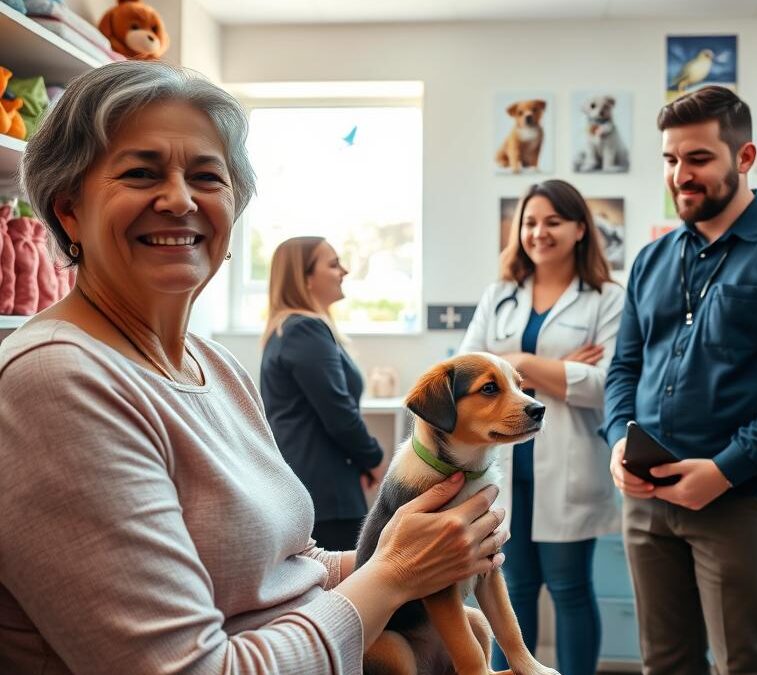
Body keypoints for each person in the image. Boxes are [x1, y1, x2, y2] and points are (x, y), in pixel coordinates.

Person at [0, 60, 507, 674]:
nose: (181, 199)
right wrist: (394, 574)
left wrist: (413, 554)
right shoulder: (55, 382)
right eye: (140, 172)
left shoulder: (211, 365)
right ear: (69, 210)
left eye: (208, 177)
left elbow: (282, 567)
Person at [603, 86, 757, 675]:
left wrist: (726, 468)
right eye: (671, 160)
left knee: (745, 665)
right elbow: (624, 367)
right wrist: (617, 442)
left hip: (739, 503)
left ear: (746, 157)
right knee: (665, 663)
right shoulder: (651, 260)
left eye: (699, 158)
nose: (681, 174)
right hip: (647, 503)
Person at [460, 179, 624, 675]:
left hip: (569, 463)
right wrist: (553, 367)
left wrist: (517, 362)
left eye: (553, 221)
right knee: (510, 587)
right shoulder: (501, 295)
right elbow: (467, 371)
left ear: (579, 229)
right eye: (530, 222)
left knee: (571, 588)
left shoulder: (606, 298)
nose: (539, 232)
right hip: (506, 467)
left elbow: (605, 383)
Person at [260, 236, 385, 551]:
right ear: (305, 278)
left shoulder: (290, 329)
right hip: (324, 493)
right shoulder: (305, 330)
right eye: (333, 264)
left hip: (318, 485)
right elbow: (339, 412)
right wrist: (373, 458)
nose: (344, 270)